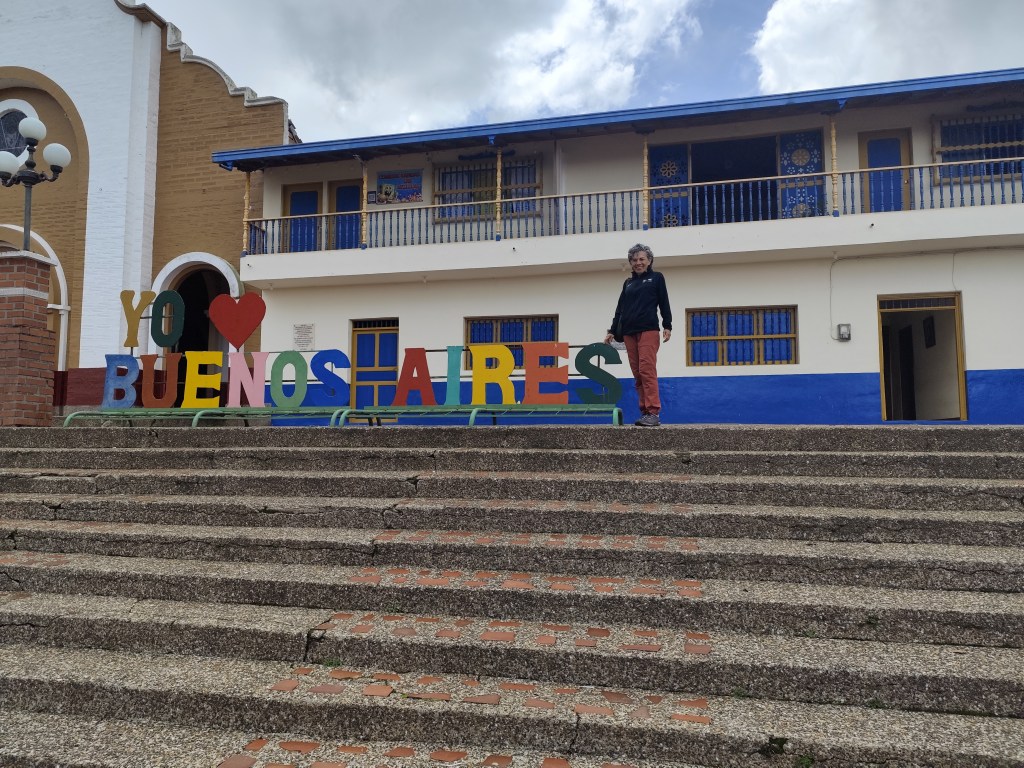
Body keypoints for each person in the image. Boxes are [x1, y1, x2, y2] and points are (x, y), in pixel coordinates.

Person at [604, 243, 672, 426]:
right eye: (634, 260)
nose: (638, 262)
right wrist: (612, 331)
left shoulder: (657, 278)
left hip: (648, 330)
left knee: (647, 370)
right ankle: (645, 412)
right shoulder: (628, 283)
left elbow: (664, 302)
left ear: (649, 261)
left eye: (642, 259)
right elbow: (620, 309)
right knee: (638, 374)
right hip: (628, 333)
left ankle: (653, 412)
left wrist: (667, 325)